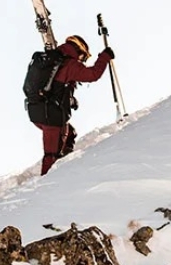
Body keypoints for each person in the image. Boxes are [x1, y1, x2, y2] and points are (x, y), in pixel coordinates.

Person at [35, 34, 114, 175]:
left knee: (69, 134)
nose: (82, 61)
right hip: (51, 116)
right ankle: (47, 185)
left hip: (37, 110)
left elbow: (55, 88)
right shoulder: (69, 64)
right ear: (79, 51)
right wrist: (105, 57)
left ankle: (65, 168)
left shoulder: (54, 59)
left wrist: (70, 100)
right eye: (83, 57)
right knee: (52, 154)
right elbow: (93, 74)